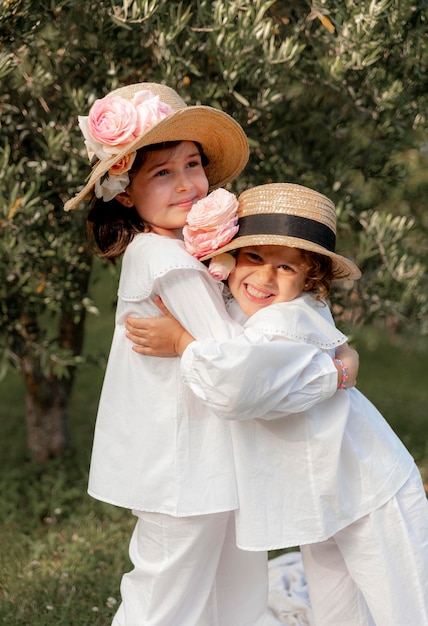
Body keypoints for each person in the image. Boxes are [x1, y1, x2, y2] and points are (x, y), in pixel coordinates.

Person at [65, 85, 359, 626]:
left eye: (193, 165)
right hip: (179, 463)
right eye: (162, 173)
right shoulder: (160, 257)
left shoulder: (192, 250)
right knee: (168, 587)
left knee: (235, 582)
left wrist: (328, 344)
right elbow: (231, 355)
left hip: (215, 452)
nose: (186, 184)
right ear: (124, 192)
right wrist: (326, 369)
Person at [127, 183, 428, 626]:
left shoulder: (288, 320)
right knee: (339, 612)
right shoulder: (244, 312)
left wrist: (182, 340)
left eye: (285, 266)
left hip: (370, 489)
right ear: (227, 259)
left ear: (310, 280)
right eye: (253, 258)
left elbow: (238, 386)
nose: (264, 278)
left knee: (407, 604)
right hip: (321, 499)